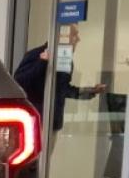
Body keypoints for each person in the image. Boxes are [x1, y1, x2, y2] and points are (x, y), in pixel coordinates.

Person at [13, 24, 106, 155]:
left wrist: (91, 91)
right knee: (30, 163)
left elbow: (63, 89)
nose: (78, 39)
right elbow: (19, 83)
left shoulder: (65, 60)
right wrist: (42, 62)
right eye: (74, 34)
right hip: (34, 122)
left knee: (44, 163)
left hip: (53, 124)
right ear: (61, 34)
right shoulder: (35, 54)